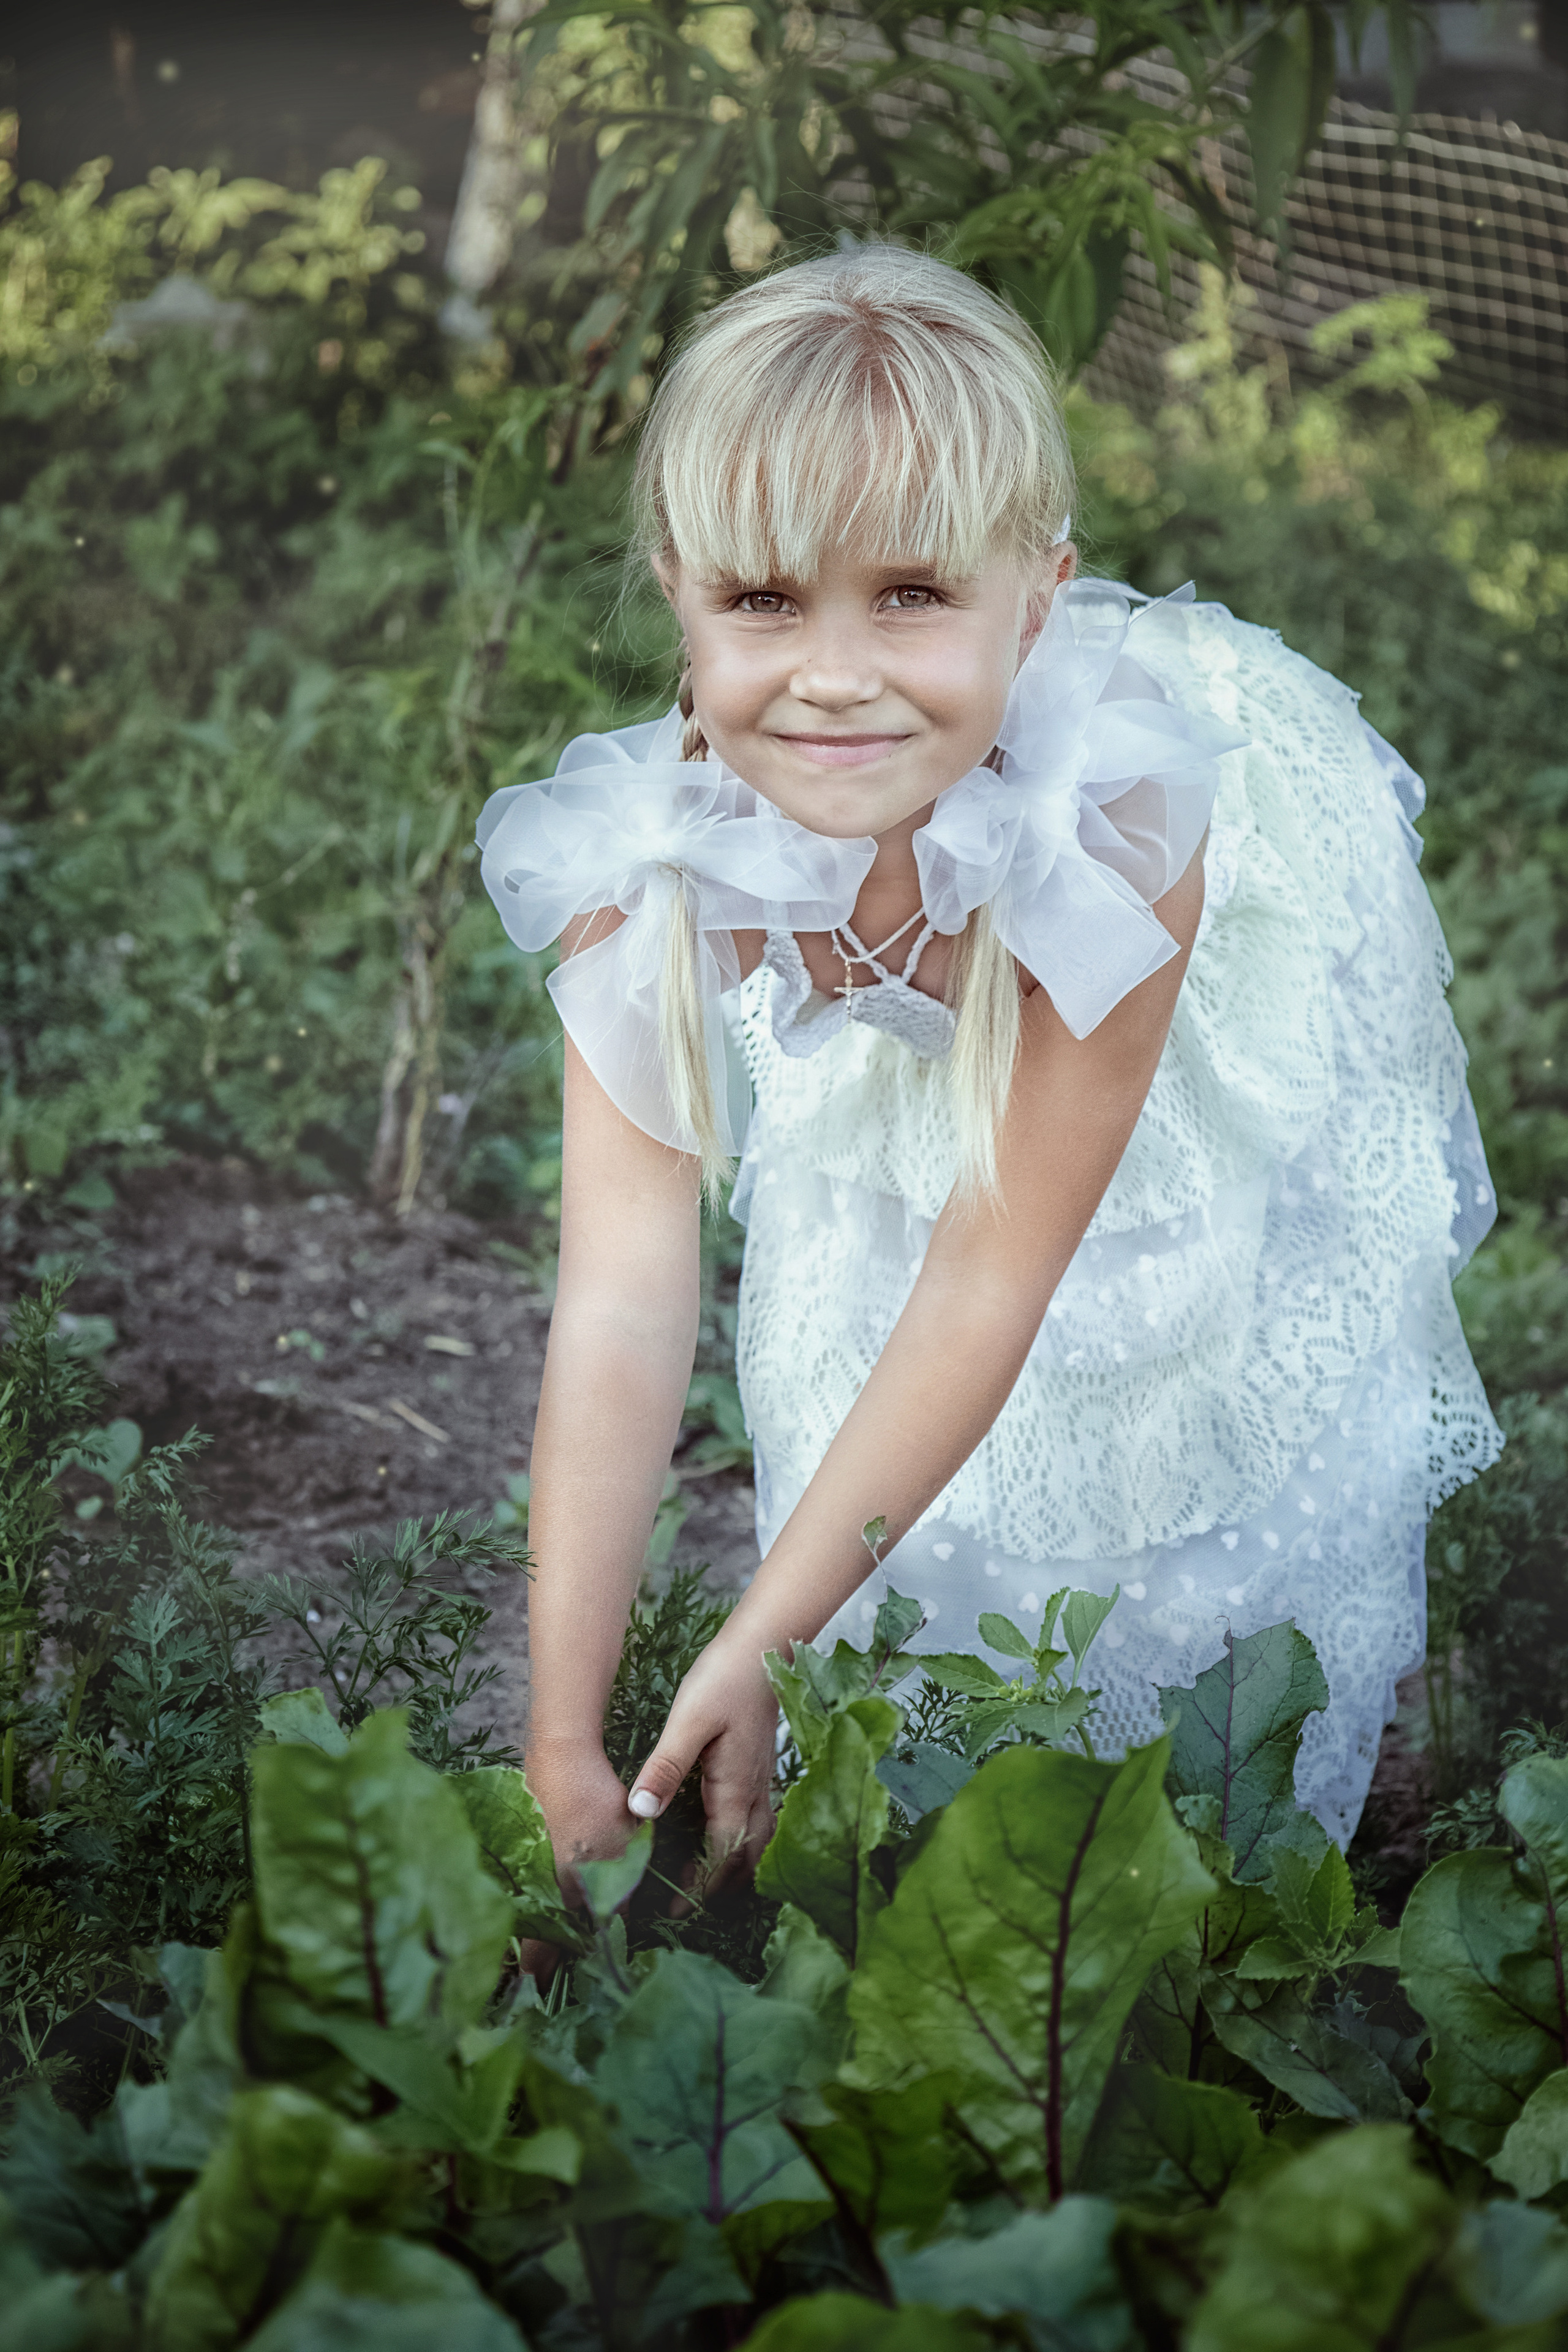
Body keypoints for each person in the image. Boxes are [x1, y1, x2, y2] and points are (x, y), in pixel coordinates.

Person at [478, 246, 1502, 1904]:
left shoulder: (1128, 819)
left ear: (1037, 595)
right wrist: (559, 1738)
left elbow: (988, 1274)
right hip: (953, 971)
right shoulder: (647, 868)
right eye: (761, 600)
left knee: (1182, 1322)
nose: (831, 672)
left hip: (1199, 972)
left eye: (910, 595)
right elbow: (619, 1300)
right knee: (869, 1299)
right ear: (676, 587)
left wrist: (754, 1632)